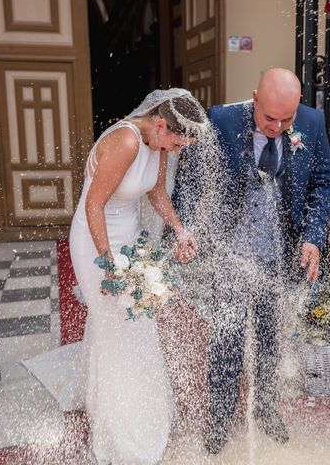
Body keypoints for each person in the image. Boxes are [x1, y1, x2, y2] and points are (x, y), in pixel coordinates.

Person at [174, 68, 330, 454]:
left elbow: (325, 182)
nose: (278, 127)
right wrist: (187, 230)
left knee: (270, 340)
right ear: (254, 99)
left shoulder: (312, 123)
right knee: (228, 338)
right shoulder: (221, 119)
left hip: (279, 254)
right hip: (231, 251)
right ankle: (219, 419)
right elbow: (193, 180)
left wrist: (313, 238)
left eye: (287, 120)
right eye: (269, 119)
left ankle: (265, 408)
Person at [69, 89, 208, 464]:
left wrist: (180, 229)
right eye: (178, 141)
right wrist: (109, 265)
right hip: (95, 241)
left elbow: (157, 193)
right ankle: (120, 435)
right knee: (115, 328)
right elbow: (93, 205)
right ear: (161, 125)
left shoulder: (157, 145)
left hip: (130, 239)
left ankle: (137, 415)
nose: (178, 150)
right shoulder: (127, 141)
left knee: (138, 327)